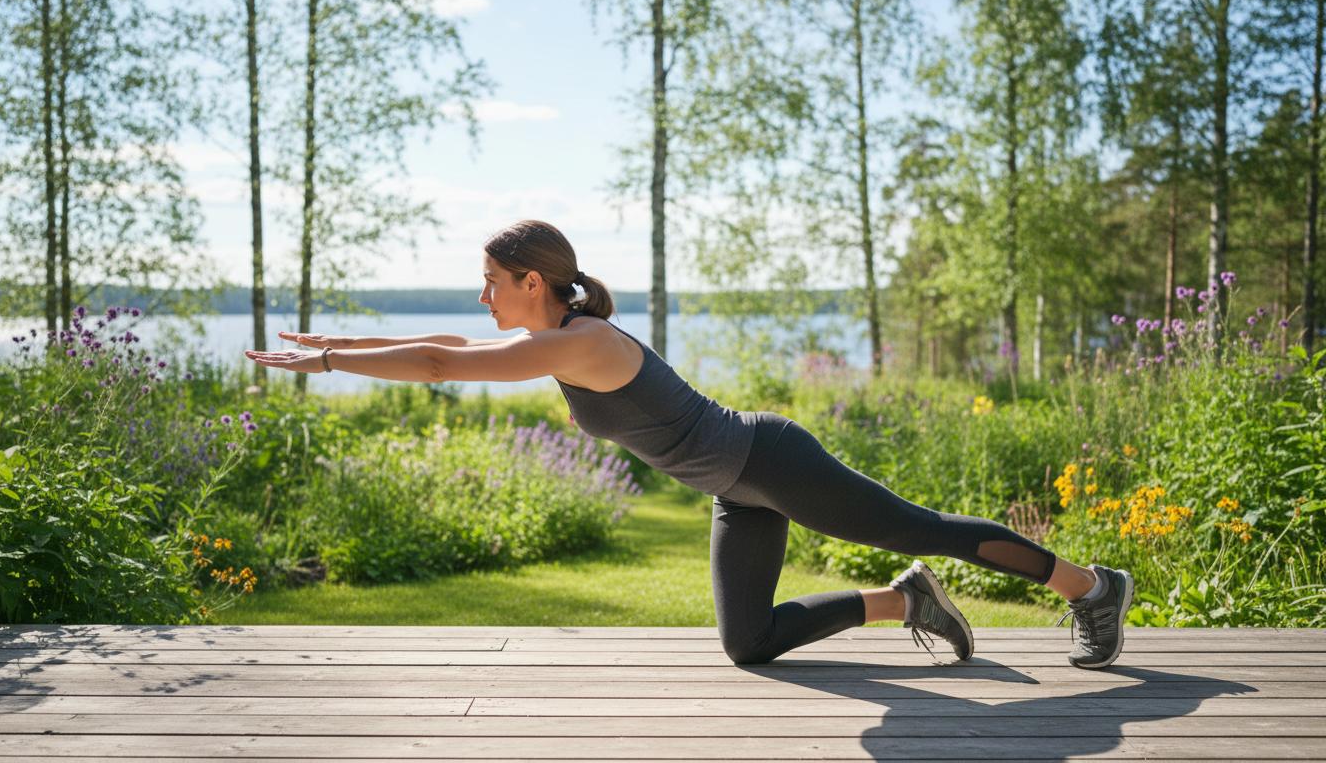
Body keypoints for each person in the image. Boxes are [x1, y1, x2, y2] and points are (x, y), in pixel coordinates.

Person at [244, 218, 1135, 669]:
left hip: (771, 460)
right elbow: (456, 349)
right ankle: (908, 606)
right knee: (746, 645)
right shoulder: (551, 340)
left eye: (489, 284)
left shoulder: (585, 341)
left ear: (529, 282)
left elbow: (444, 358)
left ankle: (1094, 589)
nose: (482, 298)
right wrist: (332, 347)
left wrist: (326, 362)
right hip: (737, 489)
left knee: (919, 523)